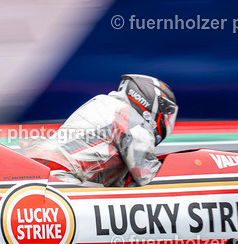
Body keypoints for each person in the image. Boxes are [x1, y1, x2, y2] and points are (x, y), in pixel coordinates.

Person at [19, 74, 178, 187]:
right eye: (165, 111)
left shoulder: (103, 102)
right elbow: (149, 178)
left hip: (39, 170)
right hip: (63, 181)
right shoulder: (133, 121)